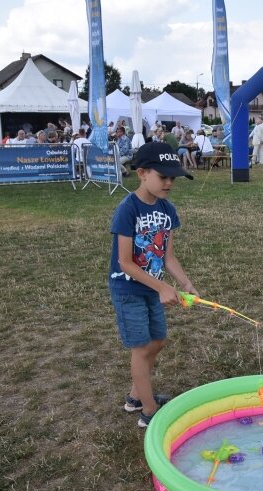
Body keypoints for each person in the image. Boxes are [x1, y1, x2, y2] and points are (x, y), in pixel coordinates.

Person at [109, 141, 197, 428]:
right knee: (141, 347)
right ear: (142, 173)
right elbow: (125, 262)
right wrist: (161, 288)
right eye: (163, 177)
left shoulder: (168, 210)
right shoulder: (128, 209)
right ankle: (148, 411)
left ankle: (136, 396)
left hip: (153, 288)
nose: (169, 183)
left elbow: (168, 256)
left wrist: (185, 283)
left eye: (173, 178)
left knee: (157, 341)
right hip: (129, 289)